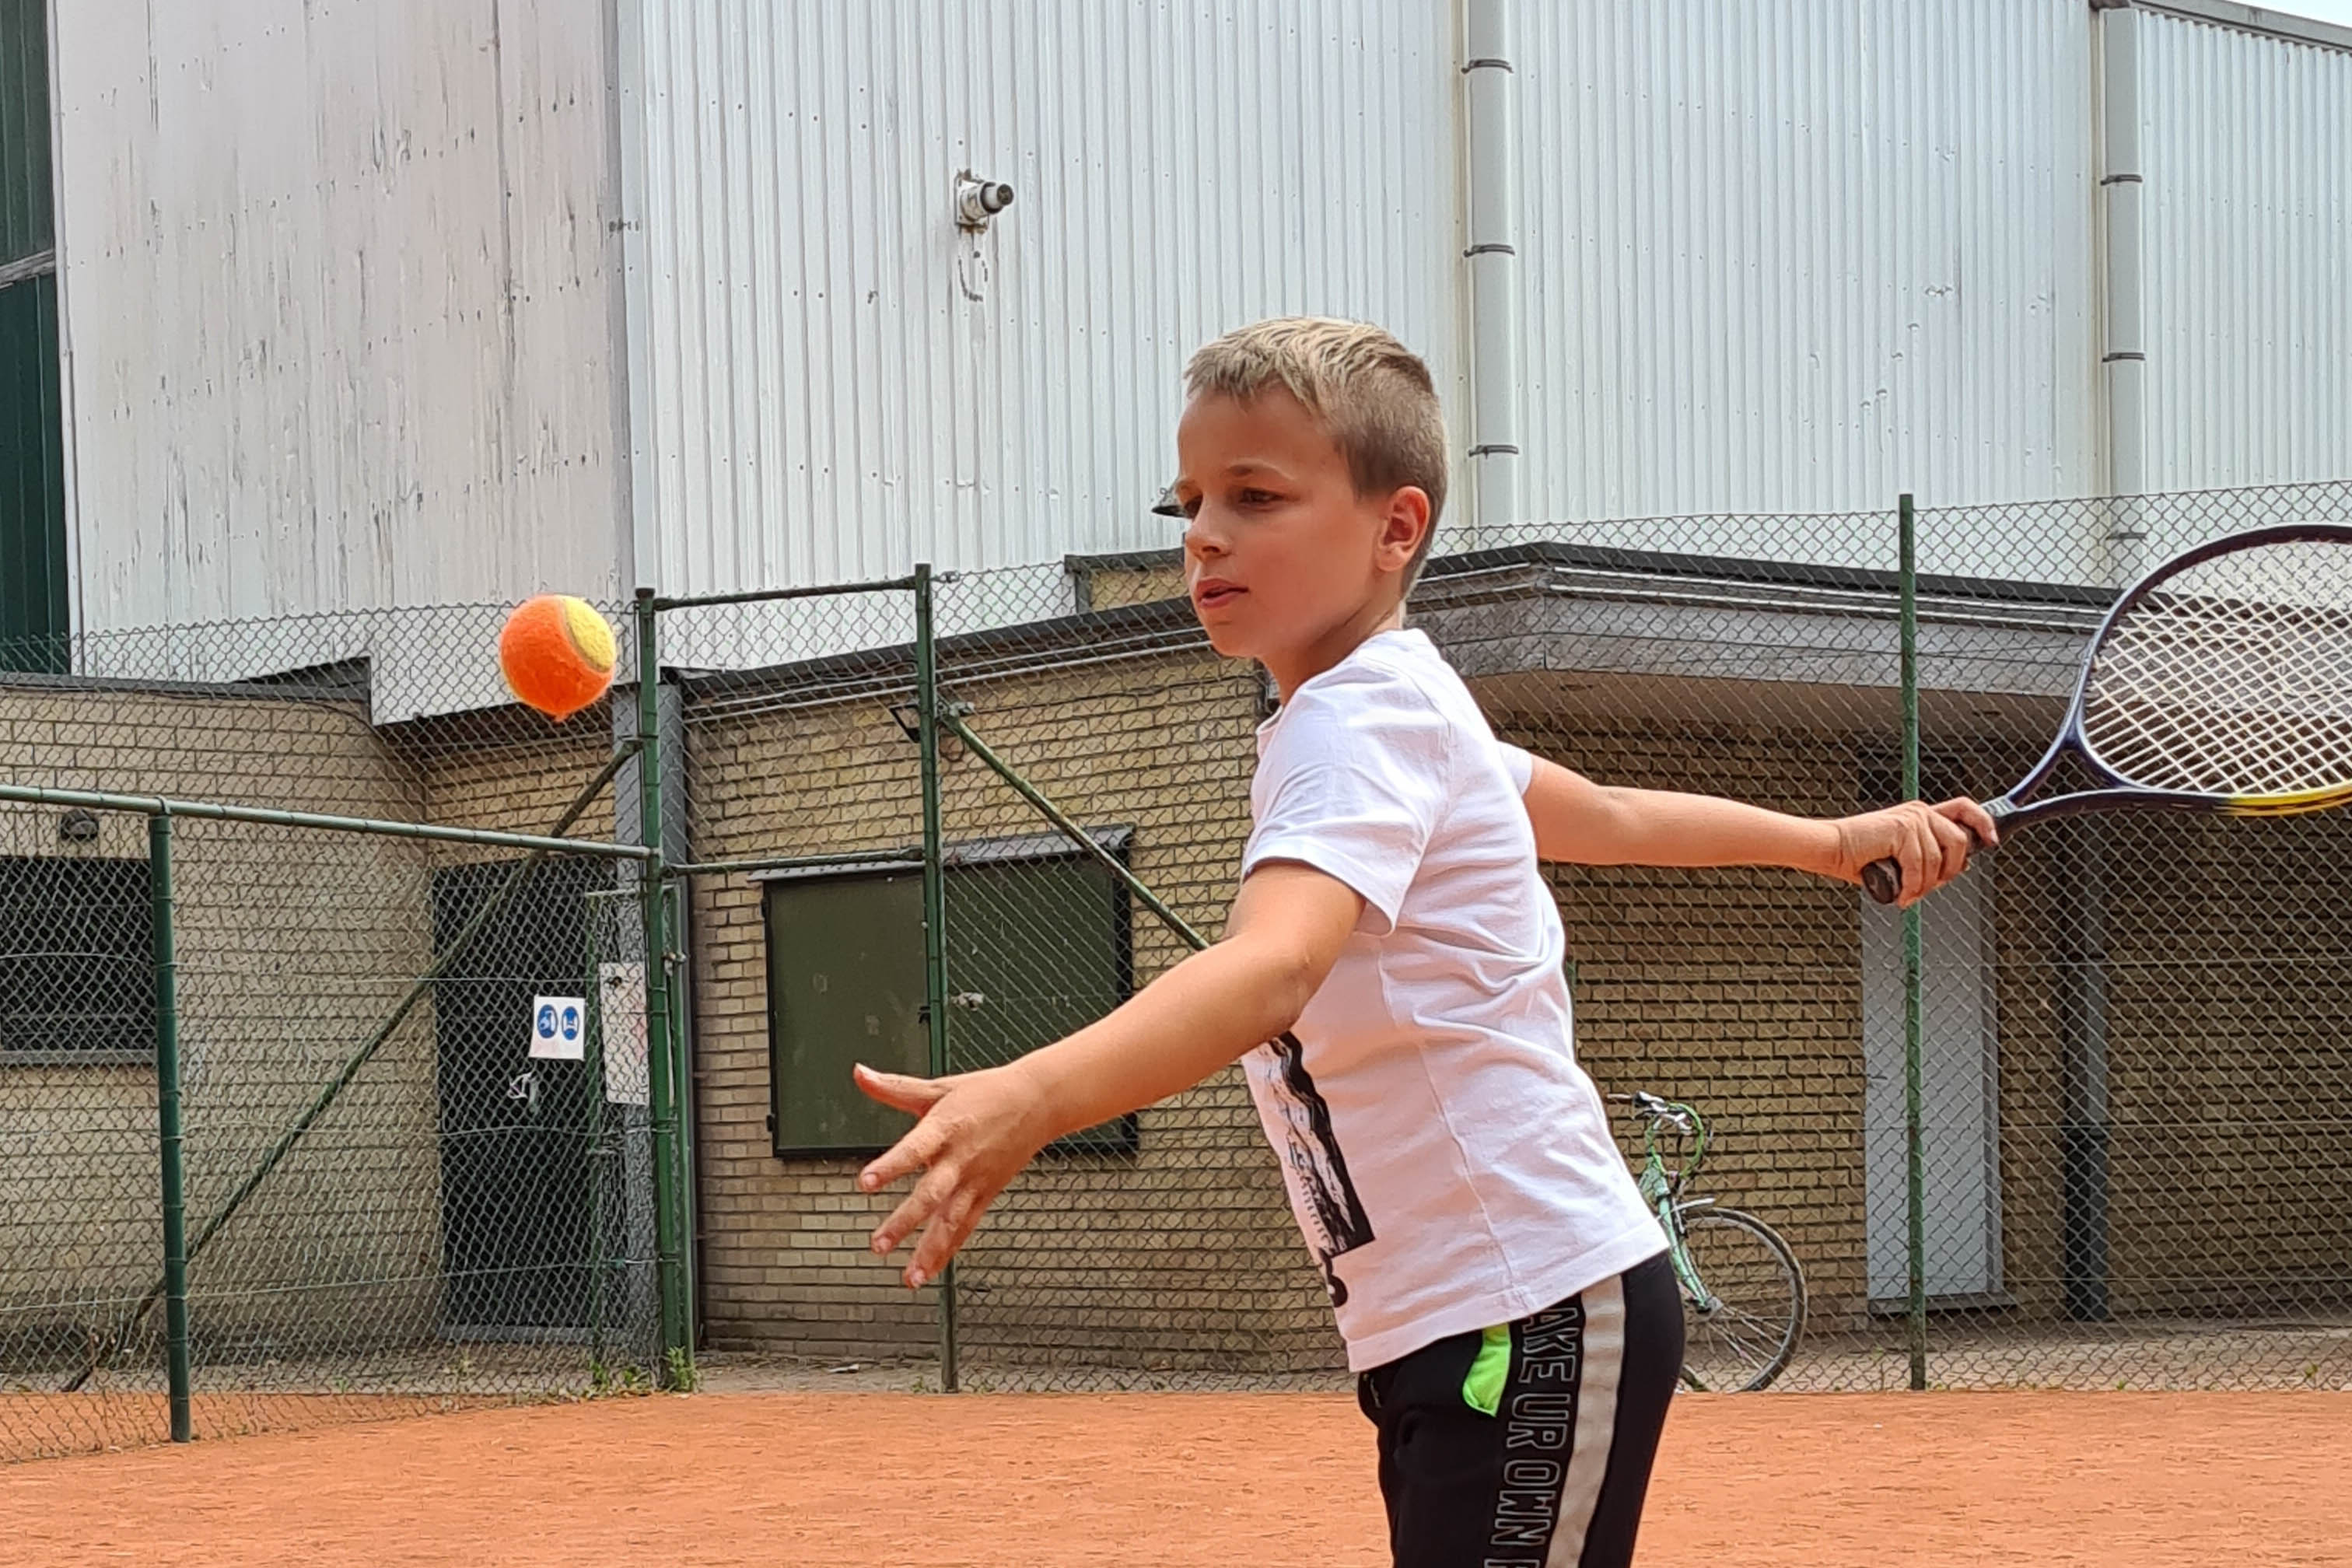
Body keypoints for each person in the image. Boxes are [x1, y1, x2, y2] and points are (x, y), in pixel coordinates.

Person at [852, 317, 1992, 1567]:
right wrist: (1832, 842)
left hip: (1530, 1304)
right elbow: (1601, 815)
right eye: (1191, 500)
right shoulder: (1375, 709)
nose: (1205, 535)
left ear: (1397, 529)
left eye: (1256, 495)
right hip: (1459, 1320)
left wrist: (1032, 1094)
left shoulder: (1361, 720)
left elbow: (1276, 962)